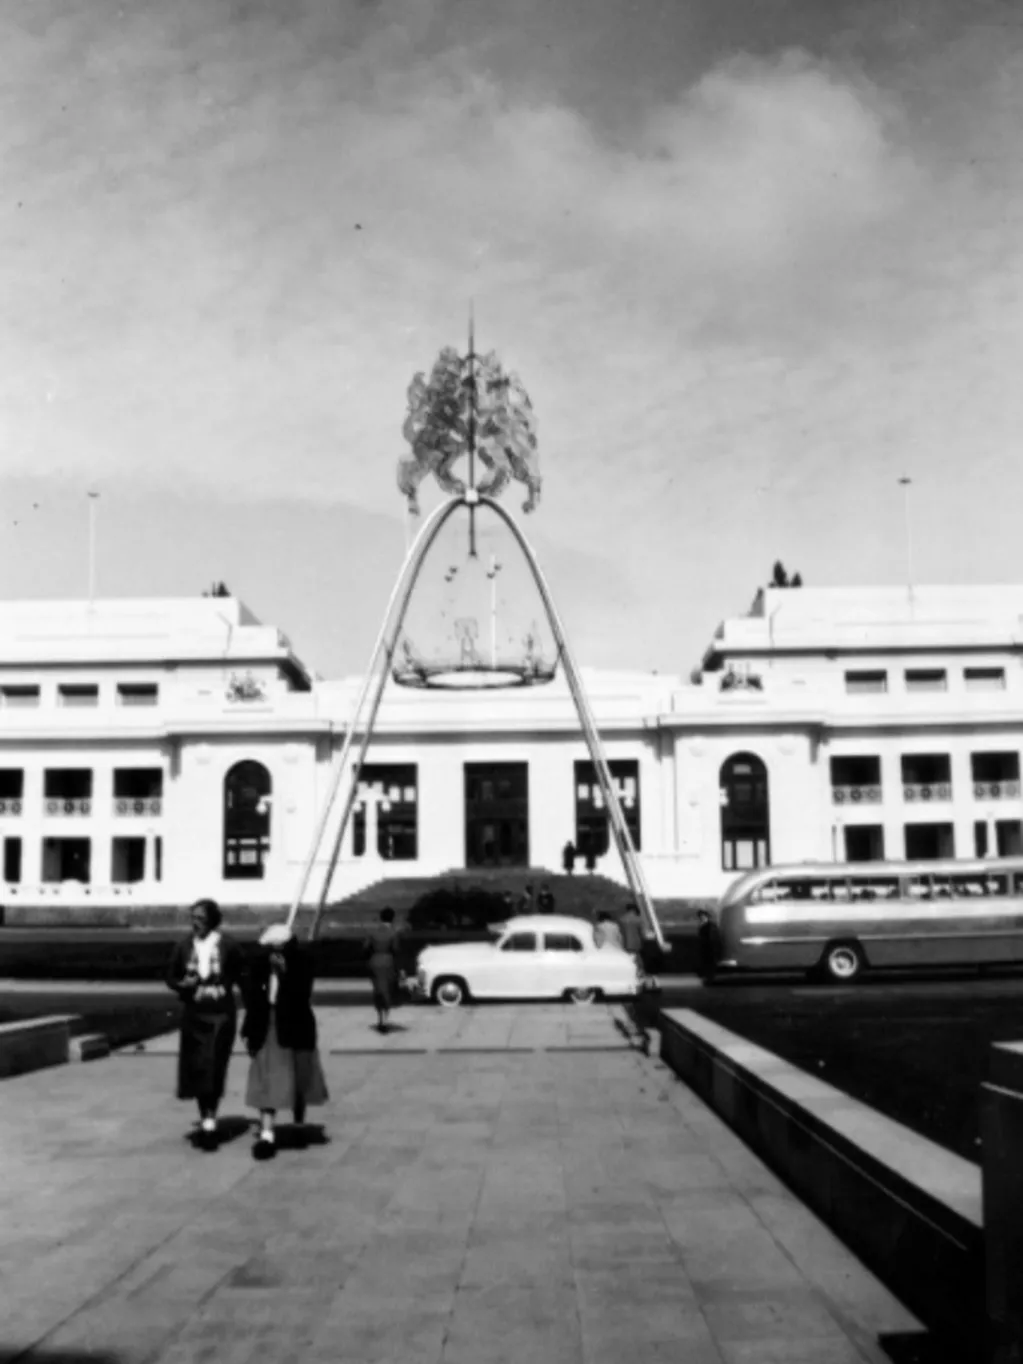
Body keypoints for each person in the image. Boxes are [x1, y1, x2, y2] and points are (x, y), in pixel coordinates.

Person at [242, 923, 329, 1160]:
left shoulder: (301, 964)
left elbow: (301, 995)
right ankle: (267, 1133)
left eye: (275, 950)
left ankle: (299, 1124)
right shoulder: (259, 967)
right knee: (267, 1078)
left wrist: (285, 973)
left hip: (295, 1026)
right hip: (267, 1027)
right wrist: (249, 1031)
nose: (270, 955)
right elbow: (252, 999)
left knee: (299, 1076)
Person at [166, 899, 243, 1150]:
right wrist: (182, 985)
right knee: (198, 1068)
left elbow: (243, 975)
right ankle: (206, 1120)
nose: (195, 923)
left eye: (200, 918)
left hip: (221, 1015)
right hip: (195, 1015)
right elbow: (170, 976)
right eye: (193, 918)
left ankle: (210, 1120)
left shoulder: (228, 945)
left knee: (214, 1066)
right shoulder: (184, 946)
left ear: (212, 919)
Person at [363, 906, 403, 1032]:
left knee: (377, 990)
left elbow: (365, 948)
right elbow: (396, 950)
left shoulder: (373, 932)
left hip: (374, 962)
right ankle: (384, 1019)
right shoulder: (393, 933)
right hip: (388, 962)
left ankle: (380, 1017)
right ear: (392, 918)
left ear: (381, 918)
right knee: (387, 990)